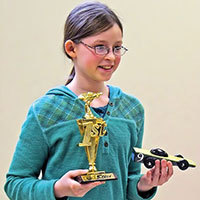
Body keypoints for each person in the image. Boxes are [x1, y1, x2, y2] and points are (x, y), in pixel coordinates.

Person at [4, 1, 173, 200]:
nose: (111, 56)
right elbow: (15, 184)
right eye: (100, 47)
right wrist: (59, 189)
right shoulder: (46, 110)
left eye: (117, 48)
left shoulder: (131, 110)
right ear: (71, 49)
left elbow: (128, 182)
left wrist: (144, 185)